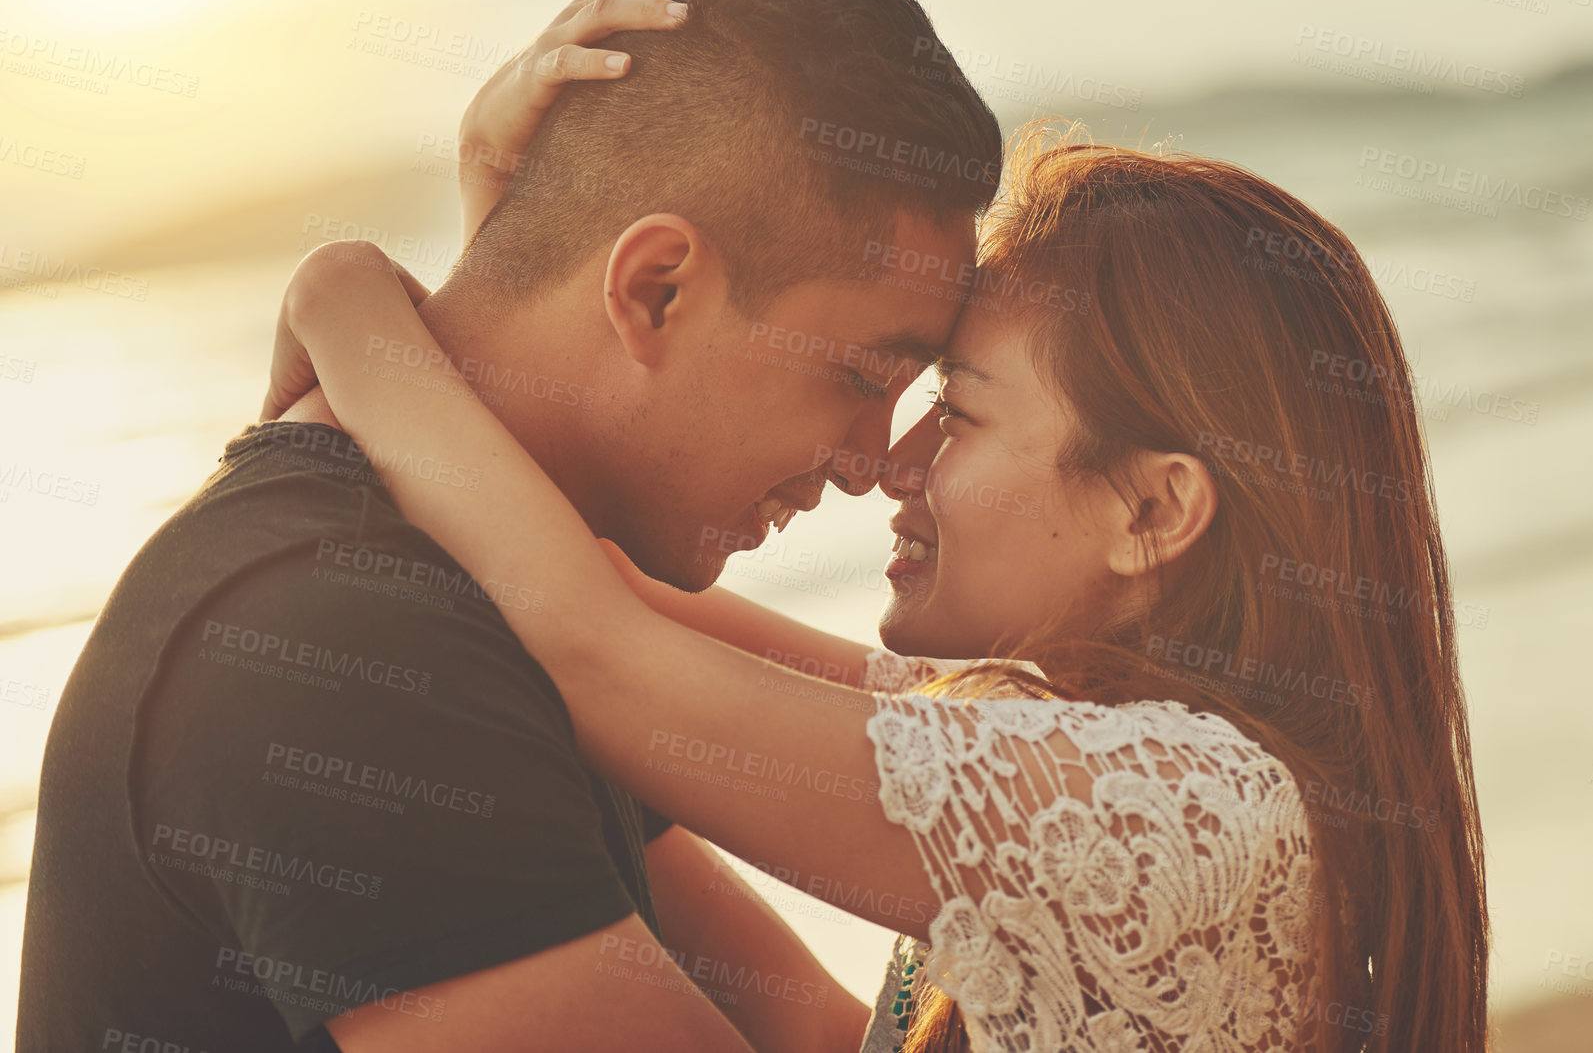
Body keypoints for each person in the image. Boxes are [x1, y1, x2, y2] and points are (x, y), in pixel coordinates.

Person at [266, 119, 1490, 1047]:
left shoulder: (1188, 805)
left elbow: (592, 648)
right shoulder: (1064, 733)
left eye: (953, 413)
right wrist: (503, 206)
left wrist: (341, 299)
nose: (886, 465)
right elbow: (597, 595)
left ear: (1152, 510)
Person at [16, 0, 1001, 1053]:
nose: (874, 462)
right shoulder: (347, 643)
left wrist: (366, 281)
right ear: (658, 289)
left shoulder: (476, 584)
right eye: (858, 375)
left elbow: (807, 1033)